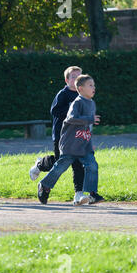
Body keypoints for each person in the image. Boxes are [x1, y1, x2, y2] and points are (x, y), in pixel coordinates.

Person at [37, 74, 105, 205]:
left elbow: (87, 129)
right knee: (60, 168)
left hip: (83, 146)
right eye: (90, 85)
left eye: (94, 85)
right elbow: (71, 118)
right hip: (70, 145)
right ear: (80, 88)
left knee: (92, 165)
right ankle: (44, 185)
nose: (94, 87)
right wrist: (89, 119)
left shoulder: (91, 103)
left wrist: (89, 144)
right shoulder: (77, 103)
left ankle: (92, 194)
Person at [29, 66, 85, 203]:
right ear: (67, 80)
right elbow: (55, 111)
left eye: (79, 77)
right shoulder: (63, 94)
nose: (77, 79)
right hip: (62, 136)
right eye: (73, 77)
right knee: (60, 163)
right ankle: (40, 165)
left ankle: (79, 194)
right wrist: (72, 111)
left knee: (78, 164)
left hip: (77, 136)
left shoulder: (83, 96)